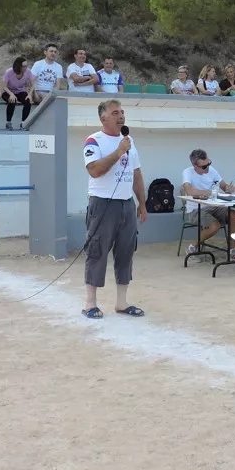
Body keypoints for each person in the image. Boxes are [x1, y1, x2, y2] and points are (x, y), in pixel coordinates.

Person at [82, 99, 147, 319]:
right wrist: (118, 152)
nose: (121, 116)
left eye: (122, 112)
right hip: (102, 203)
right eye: (115, 112)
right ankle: (90, 303)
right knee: (97, 250)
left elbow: (136, 174)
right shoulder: (94, 141)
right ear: (104, 118)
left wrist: (142, 204)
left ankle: (121, 302)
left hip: (126, 203)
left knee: (126, 251)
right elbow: (94, 170)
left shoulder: (129, 141)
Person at [180, 148, 235, 261]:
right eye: (203, 166)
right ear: (194, 165)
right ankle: (192, 247)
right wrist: (205, 192)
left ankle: (232, 250)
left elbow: (223, 186)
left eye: (208, 164)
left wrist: (228, 188)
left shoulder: (212, 170)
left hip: (214, 206)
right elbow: (188, 191)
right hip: (196, 209)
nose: (207, 168)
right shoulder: (187, 172)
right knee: (214, 226)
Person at [2, 56, 36, 129]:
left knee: (28, 101)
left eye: (26, 66)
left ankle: (23, 123)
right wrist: (11, 94)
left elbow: (33, 85)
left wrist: (30, 95)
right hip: (9, 91)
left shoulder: (28, 72)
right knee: (12, 100)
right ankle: (8, 122)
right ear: (18, 66)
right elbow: (4, 87)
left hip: (21, 91)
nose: (26, 68)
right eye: (24, 66)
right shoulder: (9, 72)